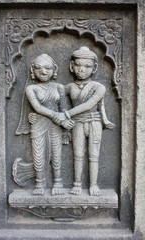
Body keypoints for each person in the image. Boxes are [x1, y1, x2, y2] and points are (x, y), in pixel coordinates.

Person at [54, 46, 115, 196]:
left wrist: (66, 114)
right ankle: (77, 184)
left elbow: (89, 105)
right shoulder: (67, 87)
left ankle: (93, 185)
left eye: (87, 66)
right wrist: (62, 119)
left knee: (94, 155)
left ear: (94, 68)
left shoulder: (98, 87)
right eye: (79, 65)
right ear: (72, 66)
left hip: (94, 122)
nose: (82, 70)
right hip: (77, 123)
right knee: (78, 154)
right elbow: (61, 104)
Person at [26, 54, 74, 196]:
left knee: (56, 153)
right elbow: (38, 108)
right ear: (33, 71)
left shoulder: (59, 87)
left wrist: (66, 126)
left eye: (48, 68)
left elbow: (63, 108)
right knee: (38, 154)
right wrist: (58, 118)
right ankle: (40, 183)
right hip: (39, 124)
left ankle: (57, 182)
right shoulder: (31, 89)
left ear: (54, 70)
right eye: (38, 68)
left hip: (56, 126)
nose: (43, 71)